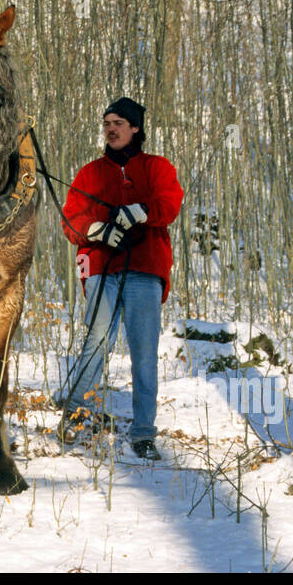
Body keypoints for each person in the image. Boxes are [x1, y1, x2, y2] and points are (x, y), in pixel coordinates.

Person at [52, 97, 183, 460]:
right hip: (102, 269)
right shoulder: (90, 172)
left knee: (144, 353)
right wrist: (97, 230)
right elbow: (70, 218)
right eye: (107, 123)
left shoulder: (157, 167)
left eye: (118, 123)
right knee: (96, 340)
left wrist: (140, 211)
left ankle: (143, 433)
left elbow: (170, 204)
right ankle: (77, 416)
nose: (110, 129)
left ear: (135, 128)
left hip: (145, 270)